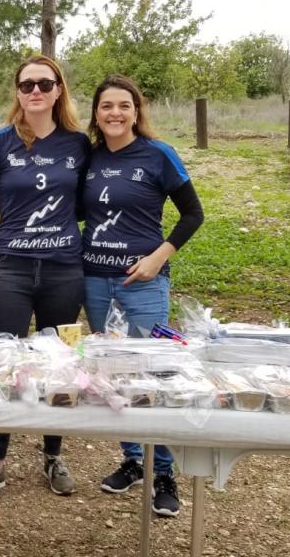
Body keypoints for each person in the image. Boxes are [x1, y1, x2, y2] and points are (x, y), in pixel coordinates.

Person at [82, 75, 204, 517]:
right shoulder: (89, 158)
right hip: (95, 279)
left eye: (124, 106)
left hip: (144, 281)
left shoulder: (158, 154)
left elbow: (193, 214)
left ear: (136, 112)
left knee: (153, 373)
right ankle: (134, 459)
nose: (115, 113)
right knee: (114, 373)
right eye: (106, 106)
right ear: (96, 114)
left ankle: (164, 472)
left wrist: (158, 257)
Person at [0, 55, 92, 495]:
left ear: (59, 90)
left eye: (44, 83)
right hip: (10, 268)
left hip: (63, 269)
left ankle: (53, 455)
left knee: (59, 365)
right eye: (27, 85)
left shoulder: (78, 145)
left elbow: (85, 205)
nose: (35, 91)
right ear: (17, 92)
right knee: (4, 363)